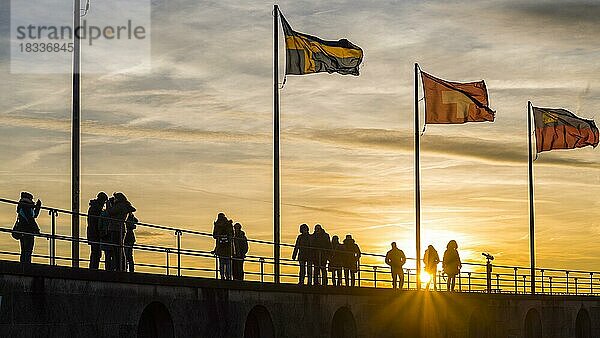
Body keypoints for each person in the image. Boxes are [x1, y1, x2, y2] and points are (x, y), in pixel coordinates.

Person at [106, 192, 136, 271]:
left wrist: (108, 203)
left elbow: (110, 212)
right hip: (120, 228)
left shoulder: (120, 206)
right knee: (119, 249)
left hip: (116, 228)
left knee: (117, 249)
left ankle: (120, 267)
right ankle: (121, 266)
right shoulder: (124, 206)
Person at [15, 192, 41, 264]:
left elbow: (34, 216)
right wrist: (36, 229)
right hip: (27, 231)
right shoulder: (26, 206)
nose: (32, 201)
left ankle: (24, 265)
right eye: (31, 199)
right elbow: (30, 219)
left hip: (24, 230)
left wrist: (37, 207)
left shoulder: (25, 206)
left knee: (24, 249)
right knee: (28, 249)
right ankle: (26, 266)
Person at [87, 192, 108, 269]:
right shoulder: (97, 208)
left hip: (92, 232)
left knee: (95, 252)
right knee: (96, 252)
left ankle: (93, 268)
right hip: (95, 232)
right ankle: (94, 268)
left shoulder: (94, 207)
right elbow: (97, 222)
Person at [212, 213, 233, 280]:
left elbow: (214, 235)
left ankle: (222, 276)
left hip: (220, 246)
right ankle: (228, 276)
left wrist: (219, 235)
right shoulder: (229, 224)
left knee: (222, 263)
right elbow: (232, 235)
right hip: (227, 246)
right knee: (227, 262)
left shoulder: (217, 225)